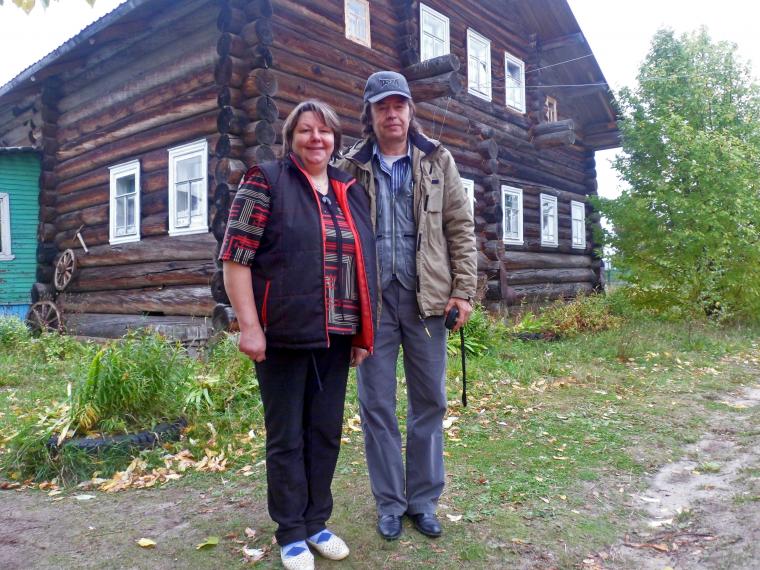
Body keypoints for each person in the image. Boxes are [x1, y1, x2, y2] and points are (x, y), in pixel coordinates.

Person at [219, 100, 377, 570]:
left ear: (335, 139)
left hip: (337, 333)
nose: (316, 139)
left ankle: (316, 522)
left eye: (324, 131)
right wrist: (250, 326)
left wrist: (365, 331)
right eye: (306, 131)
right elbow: (235, 259)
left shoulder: (349, 189)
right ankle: (290, 532)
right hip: (283, 334)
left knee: (325, 432)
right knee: (286, 435)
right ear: (291, 138)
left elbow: (365, 263)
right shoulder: (265, 181)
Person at [336, 71, 477, 540]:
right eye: (382, 106)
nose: (391, 113)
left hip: (428, 300)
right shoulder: (349, 166)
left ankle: (423, 499)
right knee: (376, 404)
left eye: (399, 104)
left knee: (429, 401)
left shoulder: (438, 161)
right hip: (372, 304)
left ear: (410, 110)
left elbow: (460, 228)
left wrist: (464, 291)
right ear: (370, 114)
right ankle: (390, 503)